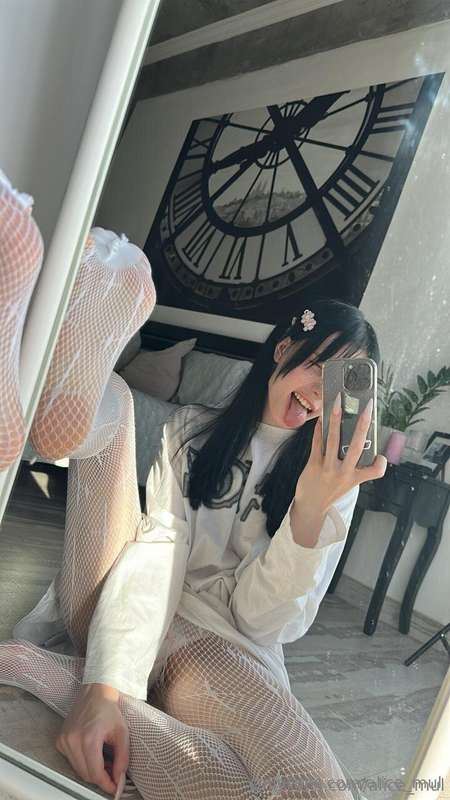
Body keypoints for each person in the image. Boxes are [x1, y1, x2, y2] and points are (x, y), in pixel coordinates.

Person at [0, 171, 387, 800]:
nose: (322, 395)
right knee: (119, 406)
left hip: (221, 650)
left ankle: (40, 671)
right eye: (320, 366)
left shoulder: (334, 482)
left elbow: (259, 622)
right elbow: (159, 550)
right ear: (284, 349)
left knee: (308, 792)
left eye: (343, 386)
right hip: (113, 602)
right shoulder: (192, 430)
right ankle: (69, 374)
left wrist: (311, 511)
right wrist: (109, 682)